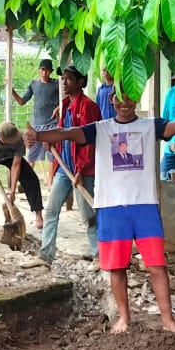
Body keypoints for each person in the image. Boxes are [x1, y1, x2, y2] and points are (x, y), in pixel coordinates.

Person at [27, 89, 175, 333]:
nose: (125, 103)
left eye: (130, 97)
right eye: (120, 98)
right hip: (111, 208)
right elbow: (67, 133)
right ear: (112, 100)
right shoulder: (100, 129)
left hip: (145, 206)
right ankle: (124, 318)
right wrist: (38, 135)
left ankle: (168, 320)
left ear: (137, 98)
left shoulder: (150, 125)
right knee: (117, 267)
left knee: (157, 266)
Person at [39, 64, 101, 265]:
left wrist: (81, 170)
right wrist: (52, 142)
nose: (63, 82)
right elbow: (62, 133)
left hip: (83, 170)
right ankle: (45, 255)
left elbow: (90, 142)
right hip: (64, 168)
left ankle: (100, 256)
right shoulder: (64, 105)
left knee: (88, 216)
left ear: (80, 82)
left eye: (68, 79)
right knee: (51, 210)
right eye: (62, 78)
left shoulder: (88, 107)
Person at [11, 57, 60, 178]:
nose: (44, 73)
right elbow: (22, 101)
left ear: (51, 71)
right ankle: (26, 181)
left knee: (52, 156)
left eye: (47, 70)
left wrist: (59, 107)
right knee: (31, 156)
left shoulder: (57, 84)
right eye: (43, 70)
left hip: (52, 124)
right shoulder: (34, 84)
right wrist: (11, 91)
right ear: (39, 70)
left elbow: (67, 99)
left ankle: (50, 184)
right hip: (36, 125)